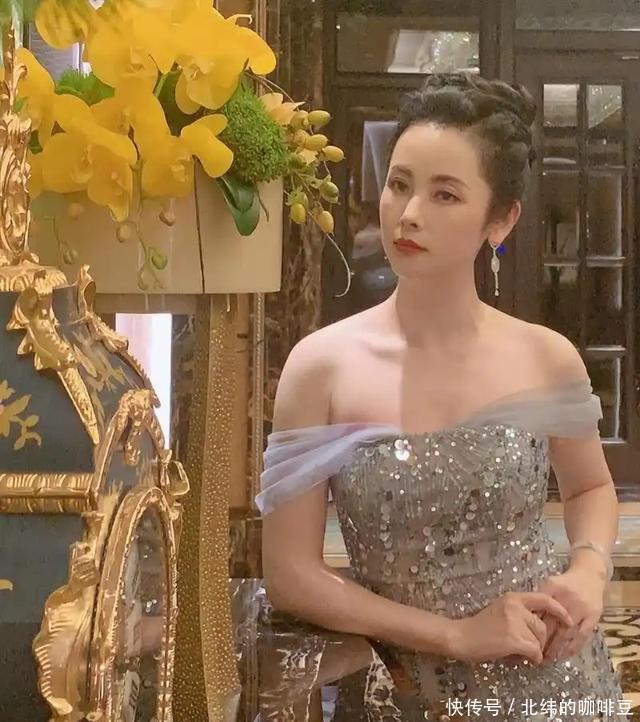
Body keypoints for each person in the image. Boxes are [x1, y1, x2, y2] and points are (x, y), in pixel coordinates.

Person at [256, 73, 624, 721]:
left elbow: (590, 487)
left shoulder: (545, 357)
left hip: (550, 676)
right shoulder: (322, 367)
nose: (409, 213)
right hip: (400, 687)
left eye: (445, 194)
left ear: (500, 220)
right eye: (399, 184)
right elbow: (290, 574)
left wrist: (588, 570)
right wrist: (455, 635)